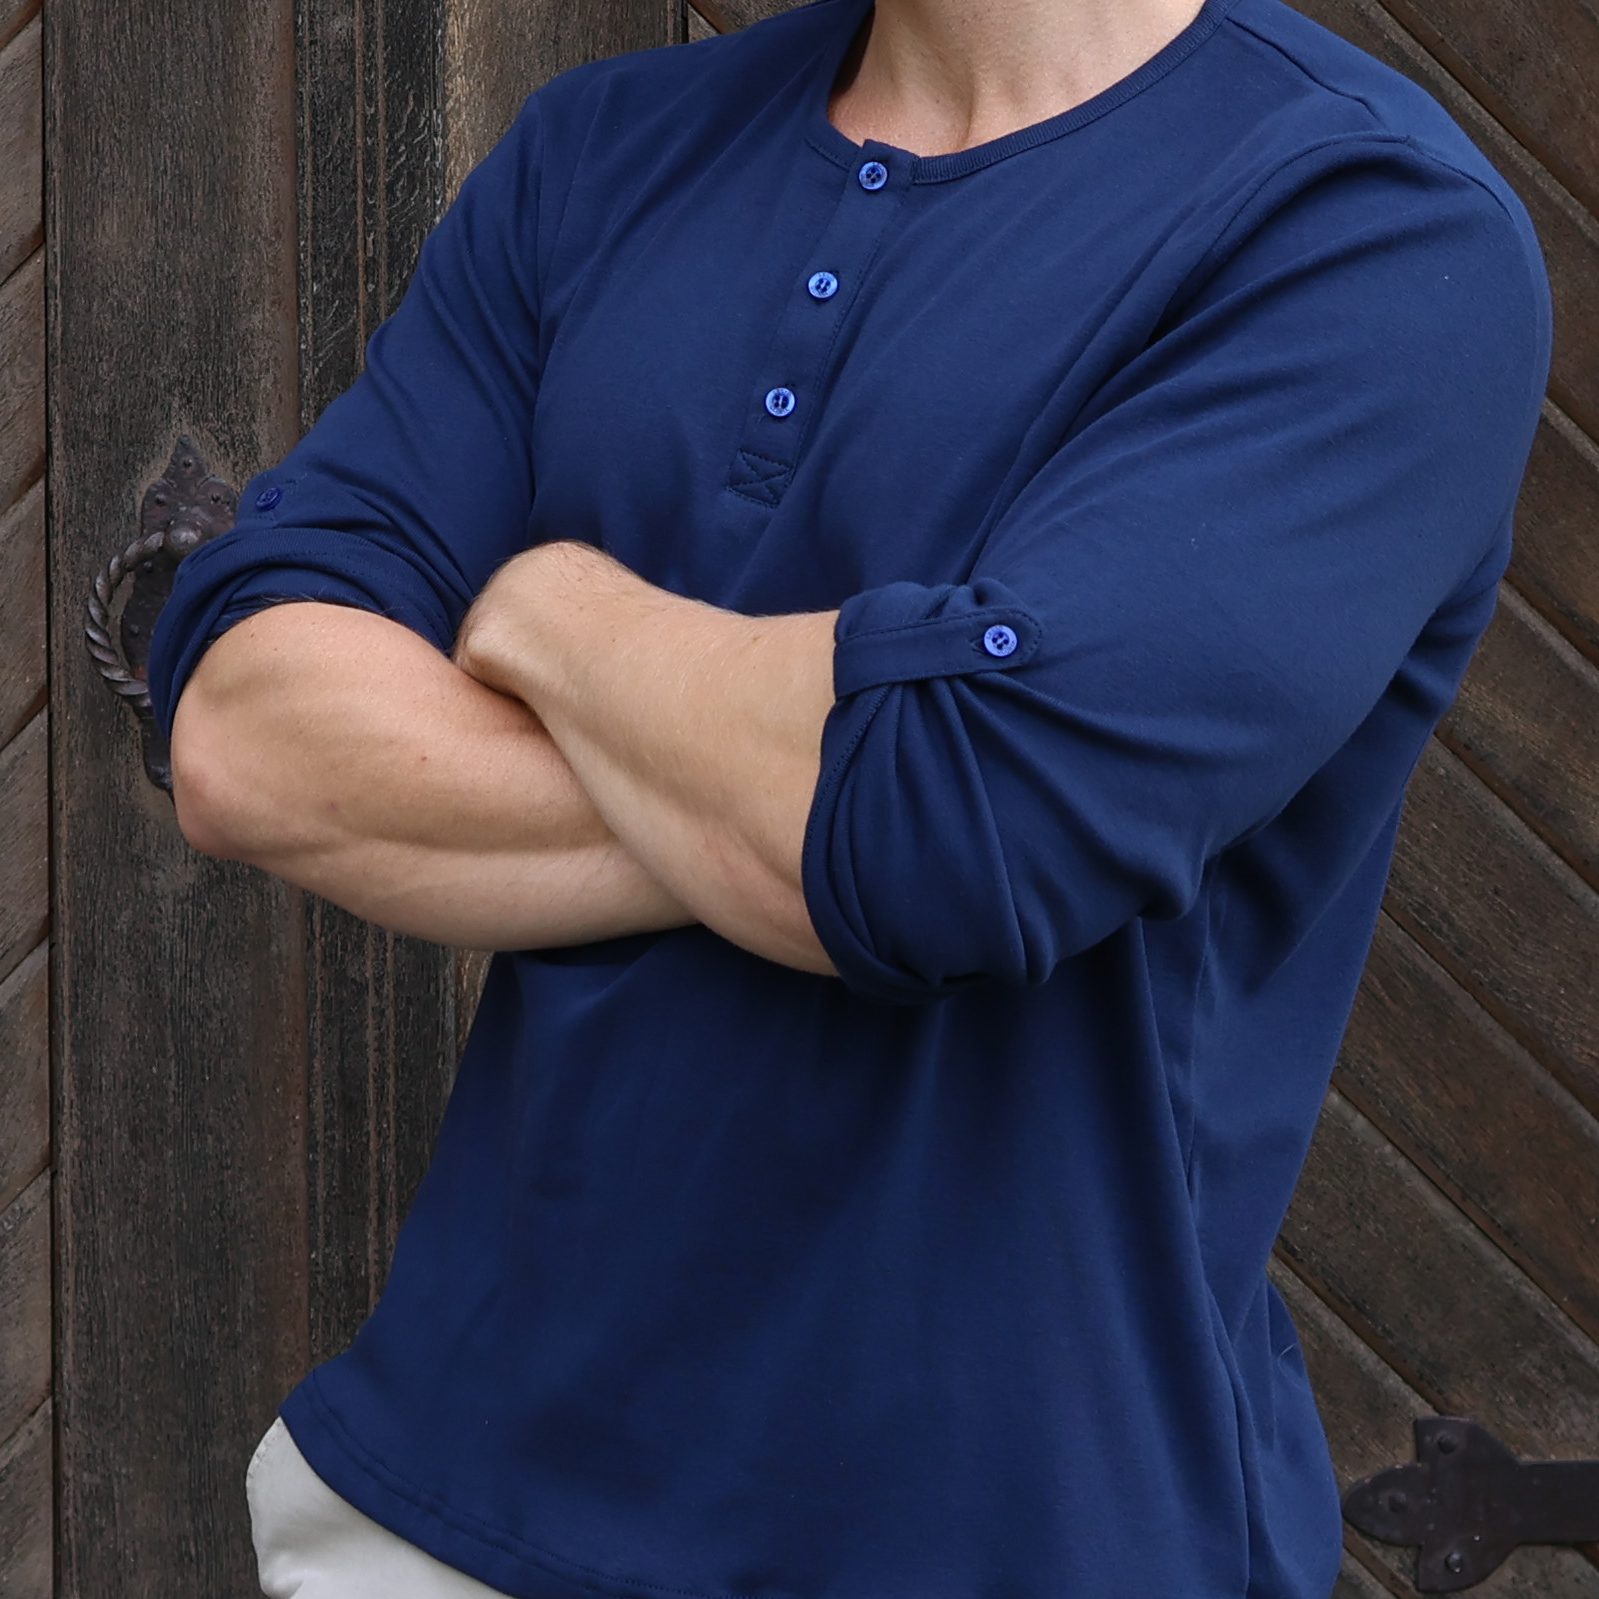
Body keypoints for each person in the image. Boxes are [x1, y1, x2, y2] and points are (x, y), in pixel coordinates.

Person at [146, 0, 1552, 1593]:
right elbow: (247, 738)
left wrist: (552, 613)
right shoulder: (608, 152)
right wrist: (824, 786)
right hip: (453, 1510)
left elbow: (962, 835)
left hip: (1009, 1535)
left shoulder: (1365, 229)